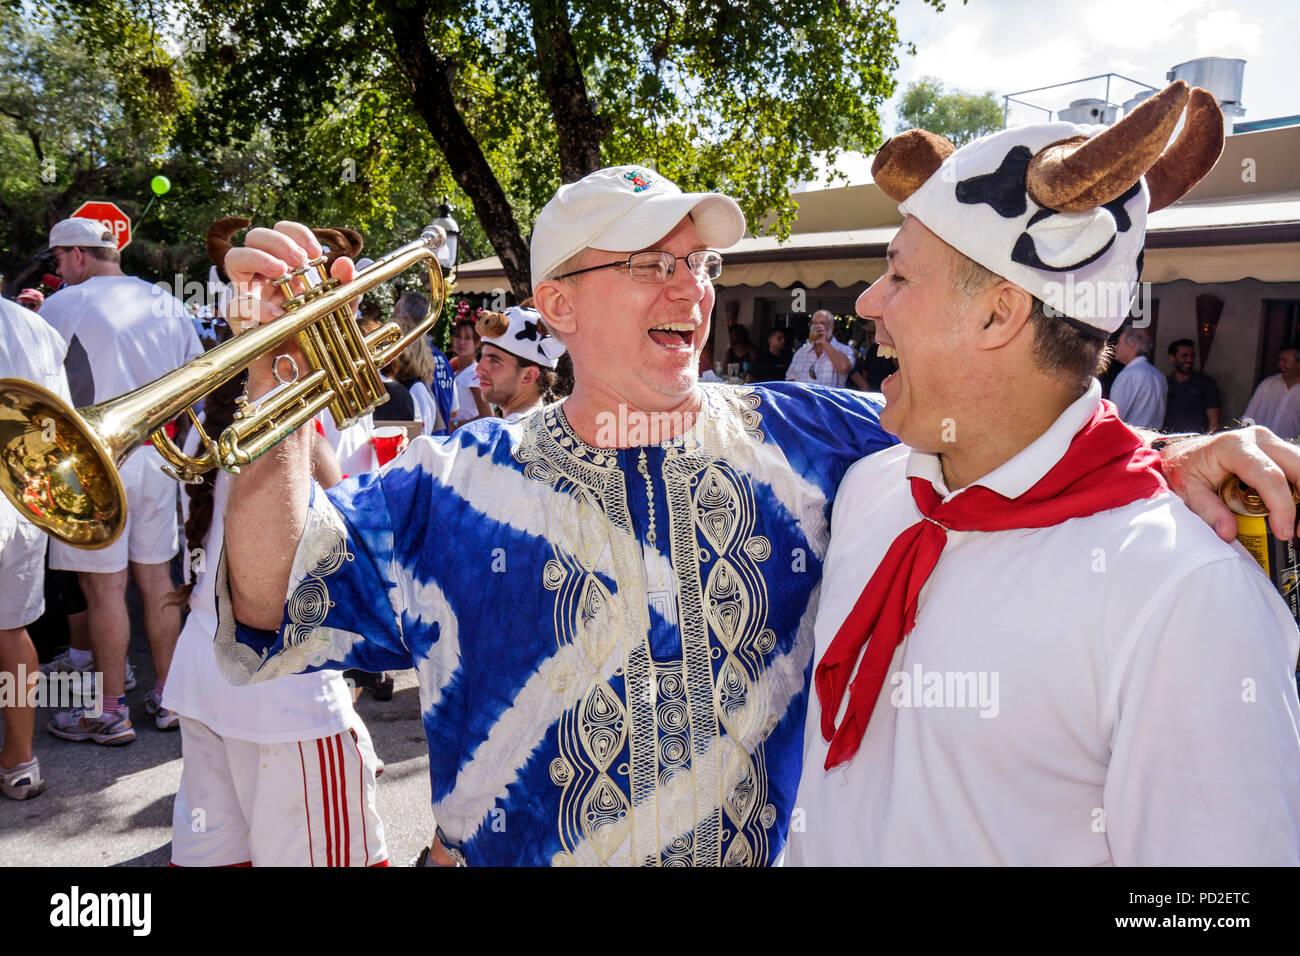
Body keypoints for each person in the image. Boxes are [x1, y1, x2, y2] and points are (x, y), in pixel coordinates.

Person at [212, 164, 1300, 867]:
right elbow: (272, 594)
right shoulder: (443, 481)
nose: (689, 289)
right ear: (556, 305)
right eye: (650, 264)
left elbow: (1013, 429)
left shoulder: (818, 439)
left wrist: (1171, 449)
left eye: (700, 262)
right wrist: (268, 391)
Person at [788, 82, 1300, 865]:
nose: (867, 302)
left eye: (899, 275)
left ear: (999, 313)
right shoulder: (871, 487)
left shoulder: (1187, 595)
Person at [165, 370, 388, 865]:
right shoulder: (281, 424)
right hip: (286, 697)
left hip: (207, 672)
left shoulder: (205, 425)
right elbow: (350, 516)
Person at [39, 217, 203, 743]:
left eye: (58, 260)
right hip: (158, 457)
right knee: (158, 580)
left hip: (92, 463)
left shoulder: (67, 303)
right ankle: (170, 698)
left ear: (79, 256)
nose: (57, 271)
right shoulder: (166, 302)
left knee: (105, 588)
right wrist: (185, 458)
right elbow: (200, 387)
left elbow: (35, 387)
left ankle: (109, 711)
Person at [0, 297, 73, 798]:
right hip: (23, 491)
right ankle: (20, 761)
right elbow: (58, 422)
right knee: (11, 628)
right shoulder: (33, 325)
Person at [472, 305, 566, 421]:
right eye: (482, 357)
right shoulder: (550, 423)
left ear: (528, 376)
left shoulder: (506, 434)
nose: (479, 369)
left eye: (494, 361)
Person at [391, 292, 458, 436]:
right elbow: (453, 410)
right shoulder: (442, 358)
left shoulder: (416, 384)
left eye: (394, 314)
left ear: (404, 319)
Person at [1109, 325, 1167, 428]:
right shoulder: (1159, 375)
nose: (1116, 347)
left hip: (1132, 440)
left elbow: (1114, 417)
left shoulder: (1128, 375)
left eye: (1119, 343)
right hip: (1154, 439)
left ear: (1132, 344)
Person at [1243, 342, 1300, 440]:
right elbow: (1248, 416)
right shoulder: (1268, 384)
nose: (1280, 365)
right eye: (1280, 360)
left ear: (1298, 364)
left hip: (1288, 452)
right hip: (1259, 448)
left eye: (1284, 361)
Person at [1163, 338, 1221, 432]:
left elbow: (1215, 421)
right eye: (1184, 356)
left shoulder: (1206, 383)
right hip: (1168, 441)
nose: (1189, 360)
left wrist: (1208, 444)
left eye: (1192, 356)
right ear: (1172, 358)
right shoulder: (1165, 383)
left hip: (1195, 442)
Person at [787, 309, 854, 386]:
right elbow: (790, 378)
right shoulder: (801, 352)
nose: (817, 327)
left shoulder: (845, 350)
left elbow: (844, 368)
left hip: (827, 398)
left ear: (832, 327)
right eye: (814, 323)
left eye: (822, 323)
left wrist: (824, 342)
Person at [448, 317, 490, 429]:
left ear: (477, 343)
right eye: (458, 336)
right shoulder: (456, 371)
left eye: (467, 338)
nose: (461, 342)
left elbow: (487, 415)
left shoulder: (474, 373)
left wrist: (455, 425)